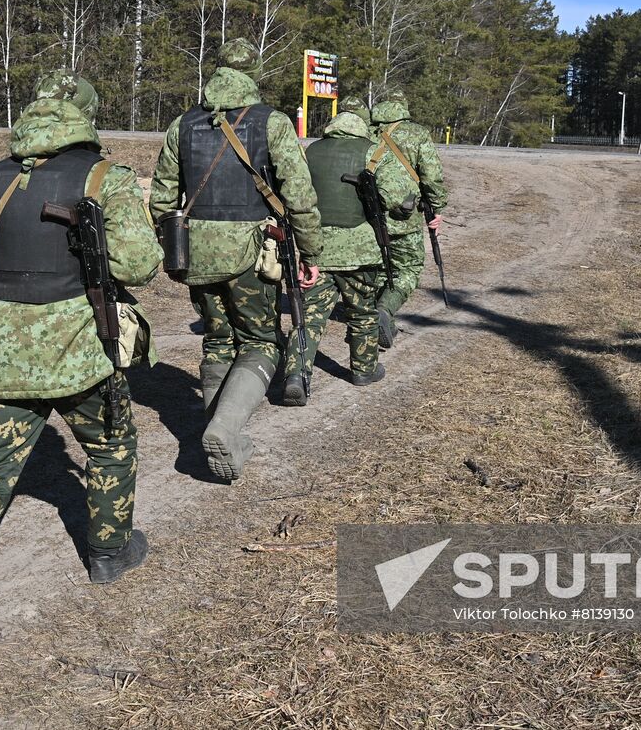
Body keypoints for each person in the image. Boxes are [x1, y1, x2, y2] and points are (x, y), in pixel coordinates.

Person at [0, 90, 161, 655]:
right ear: (86, 118)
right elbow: (141, 265)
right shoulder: (105, 177)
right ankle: (109, 552)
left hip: (3, 354)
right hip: (81, 351)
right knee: (112, 447)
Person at [149, 38, 322, 481]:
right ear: (254, 74)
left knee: (217, 340)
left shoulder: (183, 124)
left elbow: (162, 199)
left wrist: (174, 247)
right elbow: (299, 195)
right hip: (251, 252)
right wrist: (310, 251)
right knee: (261, 341)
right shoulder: (272, 122)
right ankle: (225, 429)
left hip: (196, 252)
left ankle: (216, 432)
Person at [283, 109, 417, 404]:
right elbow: (398, 197)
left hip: (317, 249)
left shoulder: (311, 151)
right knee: (363, 312)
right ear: (361, 129)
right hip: (360, 252)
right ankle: (364, 370)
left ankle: (296, 375)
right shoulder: (374, 152)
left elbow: (293, 195)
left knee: (309, 316)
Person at [370, 90, 448, 347]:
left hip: (369, 215)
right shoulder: (417, 133)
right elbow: (431, 176)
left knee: (380, 269)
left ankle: (381, 319)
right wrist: (437, 207)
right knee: (409, 268)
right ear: (403, 107)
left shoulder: (367, 131)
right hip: (405, 217)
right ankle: (385, 311)